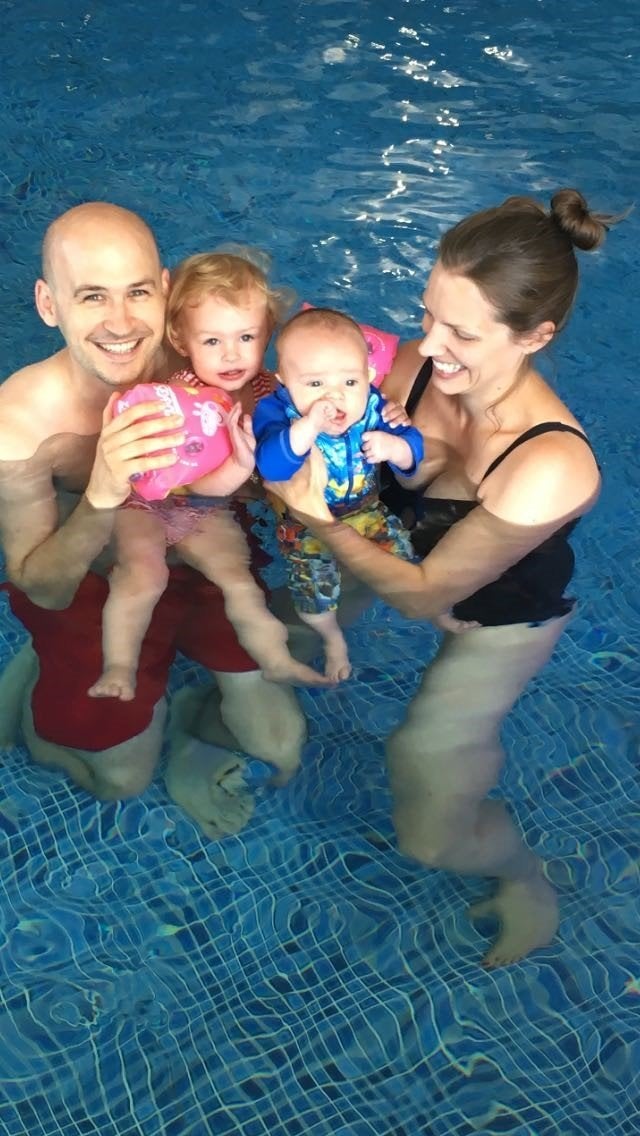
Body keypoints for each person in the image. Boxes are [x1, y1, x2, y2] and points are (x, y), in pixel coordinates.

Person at [264, 188, 618, 967]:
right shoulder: (423, 368)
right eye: (427, 315)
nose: (430, 343)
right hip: (391, 540)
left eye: (461, 331)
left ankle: (522, 873)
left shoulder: (551, 464)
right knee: (275, 627)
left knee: (425, 808)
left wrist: (311, 515)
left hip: (495, 611)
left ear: (537, 334)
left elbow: (430, 596)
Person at [0, 203, 307, 840]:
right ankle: (39, 670)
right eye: (91, 297)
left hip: (199, 541)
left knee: (282, 747)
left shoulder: (209, 356)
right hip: (94, 571)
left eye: (137, 292)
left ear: (166, 289)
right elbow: (43, 585)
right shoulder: (21, 422)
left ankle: (192, 720)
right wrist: (102, 493)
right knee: (121, 780)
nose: (119, 324)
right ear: (48, 304)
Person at [88, 252, 330, 702]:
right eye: (212, 341)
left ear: (268, 334)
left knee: (237, 579)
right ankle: (118, 667)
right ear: (181, 340)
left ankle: (274, 661)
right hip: (149, 502)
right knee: (141, 575)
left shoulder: (271, 393)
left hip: (207, 511)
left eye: (246, 336)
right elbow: (194, 482)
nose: (232, 354)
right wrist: (244, 470)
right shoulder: (180, 398)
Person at [253, 308, 424, 681]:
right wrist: (308, 426)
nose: (335, 397)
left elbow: (414, 451)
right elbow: (271, 466)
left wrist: (394, 447)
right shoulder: (275, 413)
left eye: (350, 382)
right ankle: (332, 638)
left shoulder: (375, 407)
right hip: (302, 524)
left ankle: (438, 611)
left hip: (366, 509)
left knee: (406, 562)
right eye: (314, 385)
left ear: (368, 376)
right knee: (313, 599)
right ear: (284, 383)